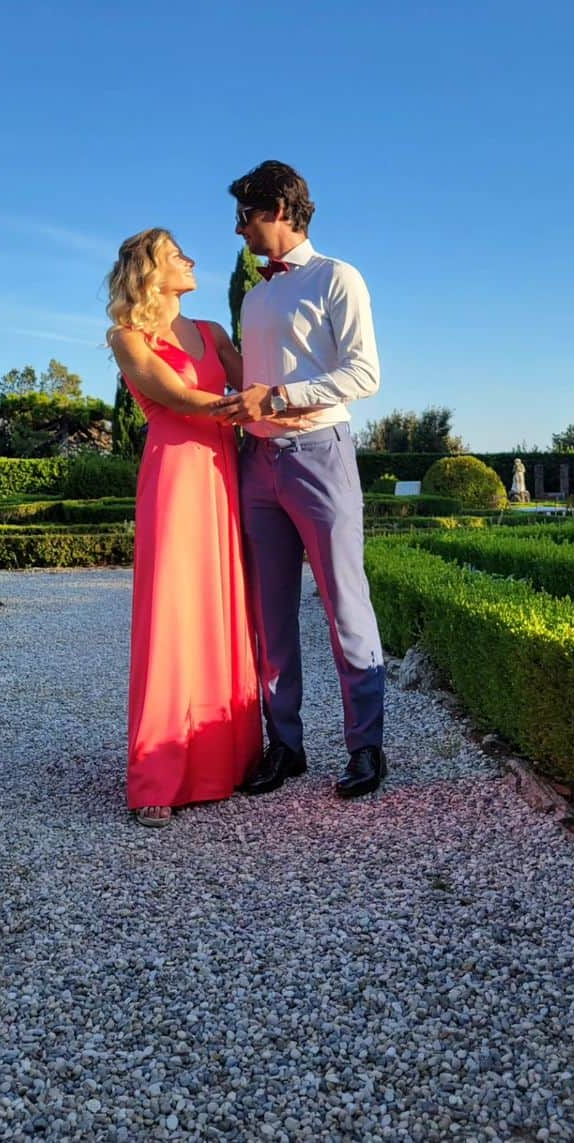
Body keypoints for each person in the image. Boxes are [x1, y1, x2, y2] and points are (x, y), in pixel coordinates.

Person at [212, 161, 387, 799]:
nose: (238, 230)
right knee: (270, 615)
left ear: (279, 210)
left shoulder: (338, 277)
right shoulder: (255, 297)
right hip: (257, 465)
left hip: (320, 454)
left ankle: (366, 748)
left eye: (246, 216)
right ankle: (285, 746)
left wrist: (279, 396)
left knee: (345, 603)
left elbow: (365, 375)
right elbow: (254, 386)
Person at [106, 229, 262, 827]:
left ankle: (227, 760)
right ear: (149, 270)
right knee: (172, 613)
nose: (191, 260)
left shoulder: (213, 333)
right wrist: (253, 404)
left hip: (225, 472)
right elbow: (173, 396)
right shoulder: (127, 338)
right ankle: (158, 774)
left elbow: (254, 378)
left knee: (224, 610)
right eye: (177, 254)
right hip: (174, 476)